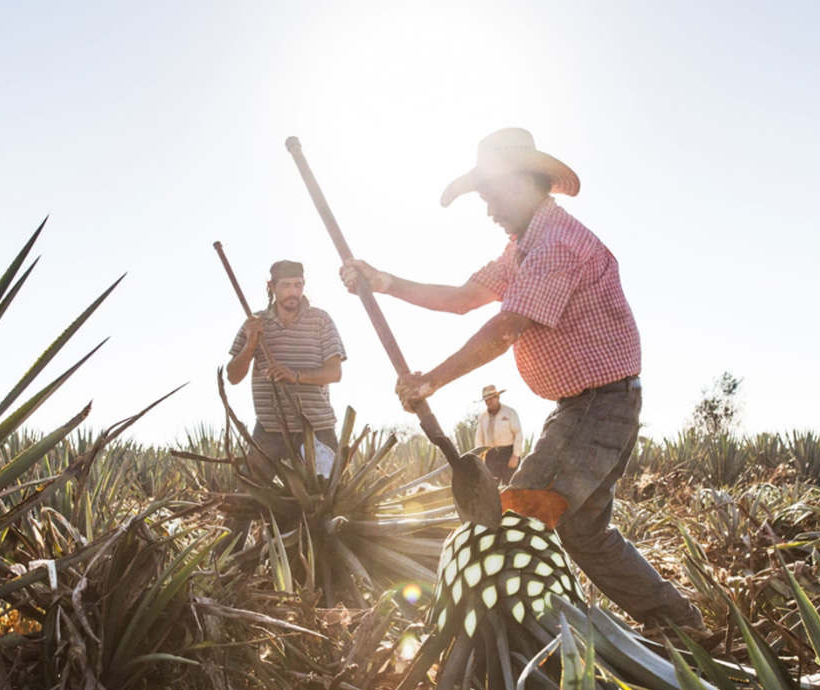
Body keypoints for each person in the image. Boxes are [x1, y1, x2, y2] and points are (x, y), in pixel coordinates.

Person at [339, 128, 704, 632]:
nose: (489, 209)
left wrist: (432, 381)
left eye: (491, 195)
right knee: (585, 534)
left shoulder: (557, 244)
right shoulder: (522, 248)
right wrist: (384, 281)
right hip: (587, 406)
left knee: (520, 512)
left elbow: (506, 327)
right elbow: (464, 297)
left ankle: (522, 639)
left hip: (597, 406)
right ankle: (678, 623)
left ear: (524, 182)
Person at [228, 260, 345, 476]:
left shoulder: (320, 320)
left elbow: (335, 373)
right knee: (246, 501)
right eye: (286, 286)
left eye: (298, 285)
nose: (293, 292)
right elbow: (233, 376)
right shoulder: (256, 323)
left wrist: (295, 376)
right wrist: (251, 342)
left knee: (328, 498)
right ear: (272, 287)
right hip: (269, 429)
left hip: (316, 428)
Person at [474, 384, 523, 485]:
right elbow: (480, 438)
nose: (489, 402)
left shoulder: (510, 412)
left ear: (497, 397)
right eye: (486, 400)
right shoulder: (483, 418)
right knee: (491, 487)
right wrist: (480, 457)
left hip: (508, 453)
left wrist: (515, 455)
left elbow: (518, 433)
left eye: (491, 399)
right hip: (491, 456)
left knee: (510, 487)